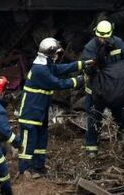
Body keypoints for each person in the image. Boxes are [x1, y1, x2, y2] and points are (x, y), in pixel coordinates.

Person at [17, 37, 89, 176]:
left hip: (41, 112)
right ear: (50, 54)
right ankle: (25, 169)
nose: (58, 55)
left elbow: (60, 68)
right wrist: (80, 80)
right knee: (29, 142)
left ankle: (39, 166)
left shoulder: (46, 65)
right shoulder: (40, 70)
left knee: (41, 140)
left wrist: (82, 64)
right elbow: (58, 83)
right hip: (30, 113)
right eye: (56, 53)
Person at [80, 19, 124, 157]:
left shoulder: (118, 43)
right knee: (94, 118)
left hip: (114, 89)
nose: (103, 40)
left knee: (119, 116)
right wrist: (92, 66)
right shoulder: (90, 47)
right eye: (100, 37)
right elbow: (85, 67)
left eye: (105, 37)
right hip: (96, 90)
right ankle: (92, 148)